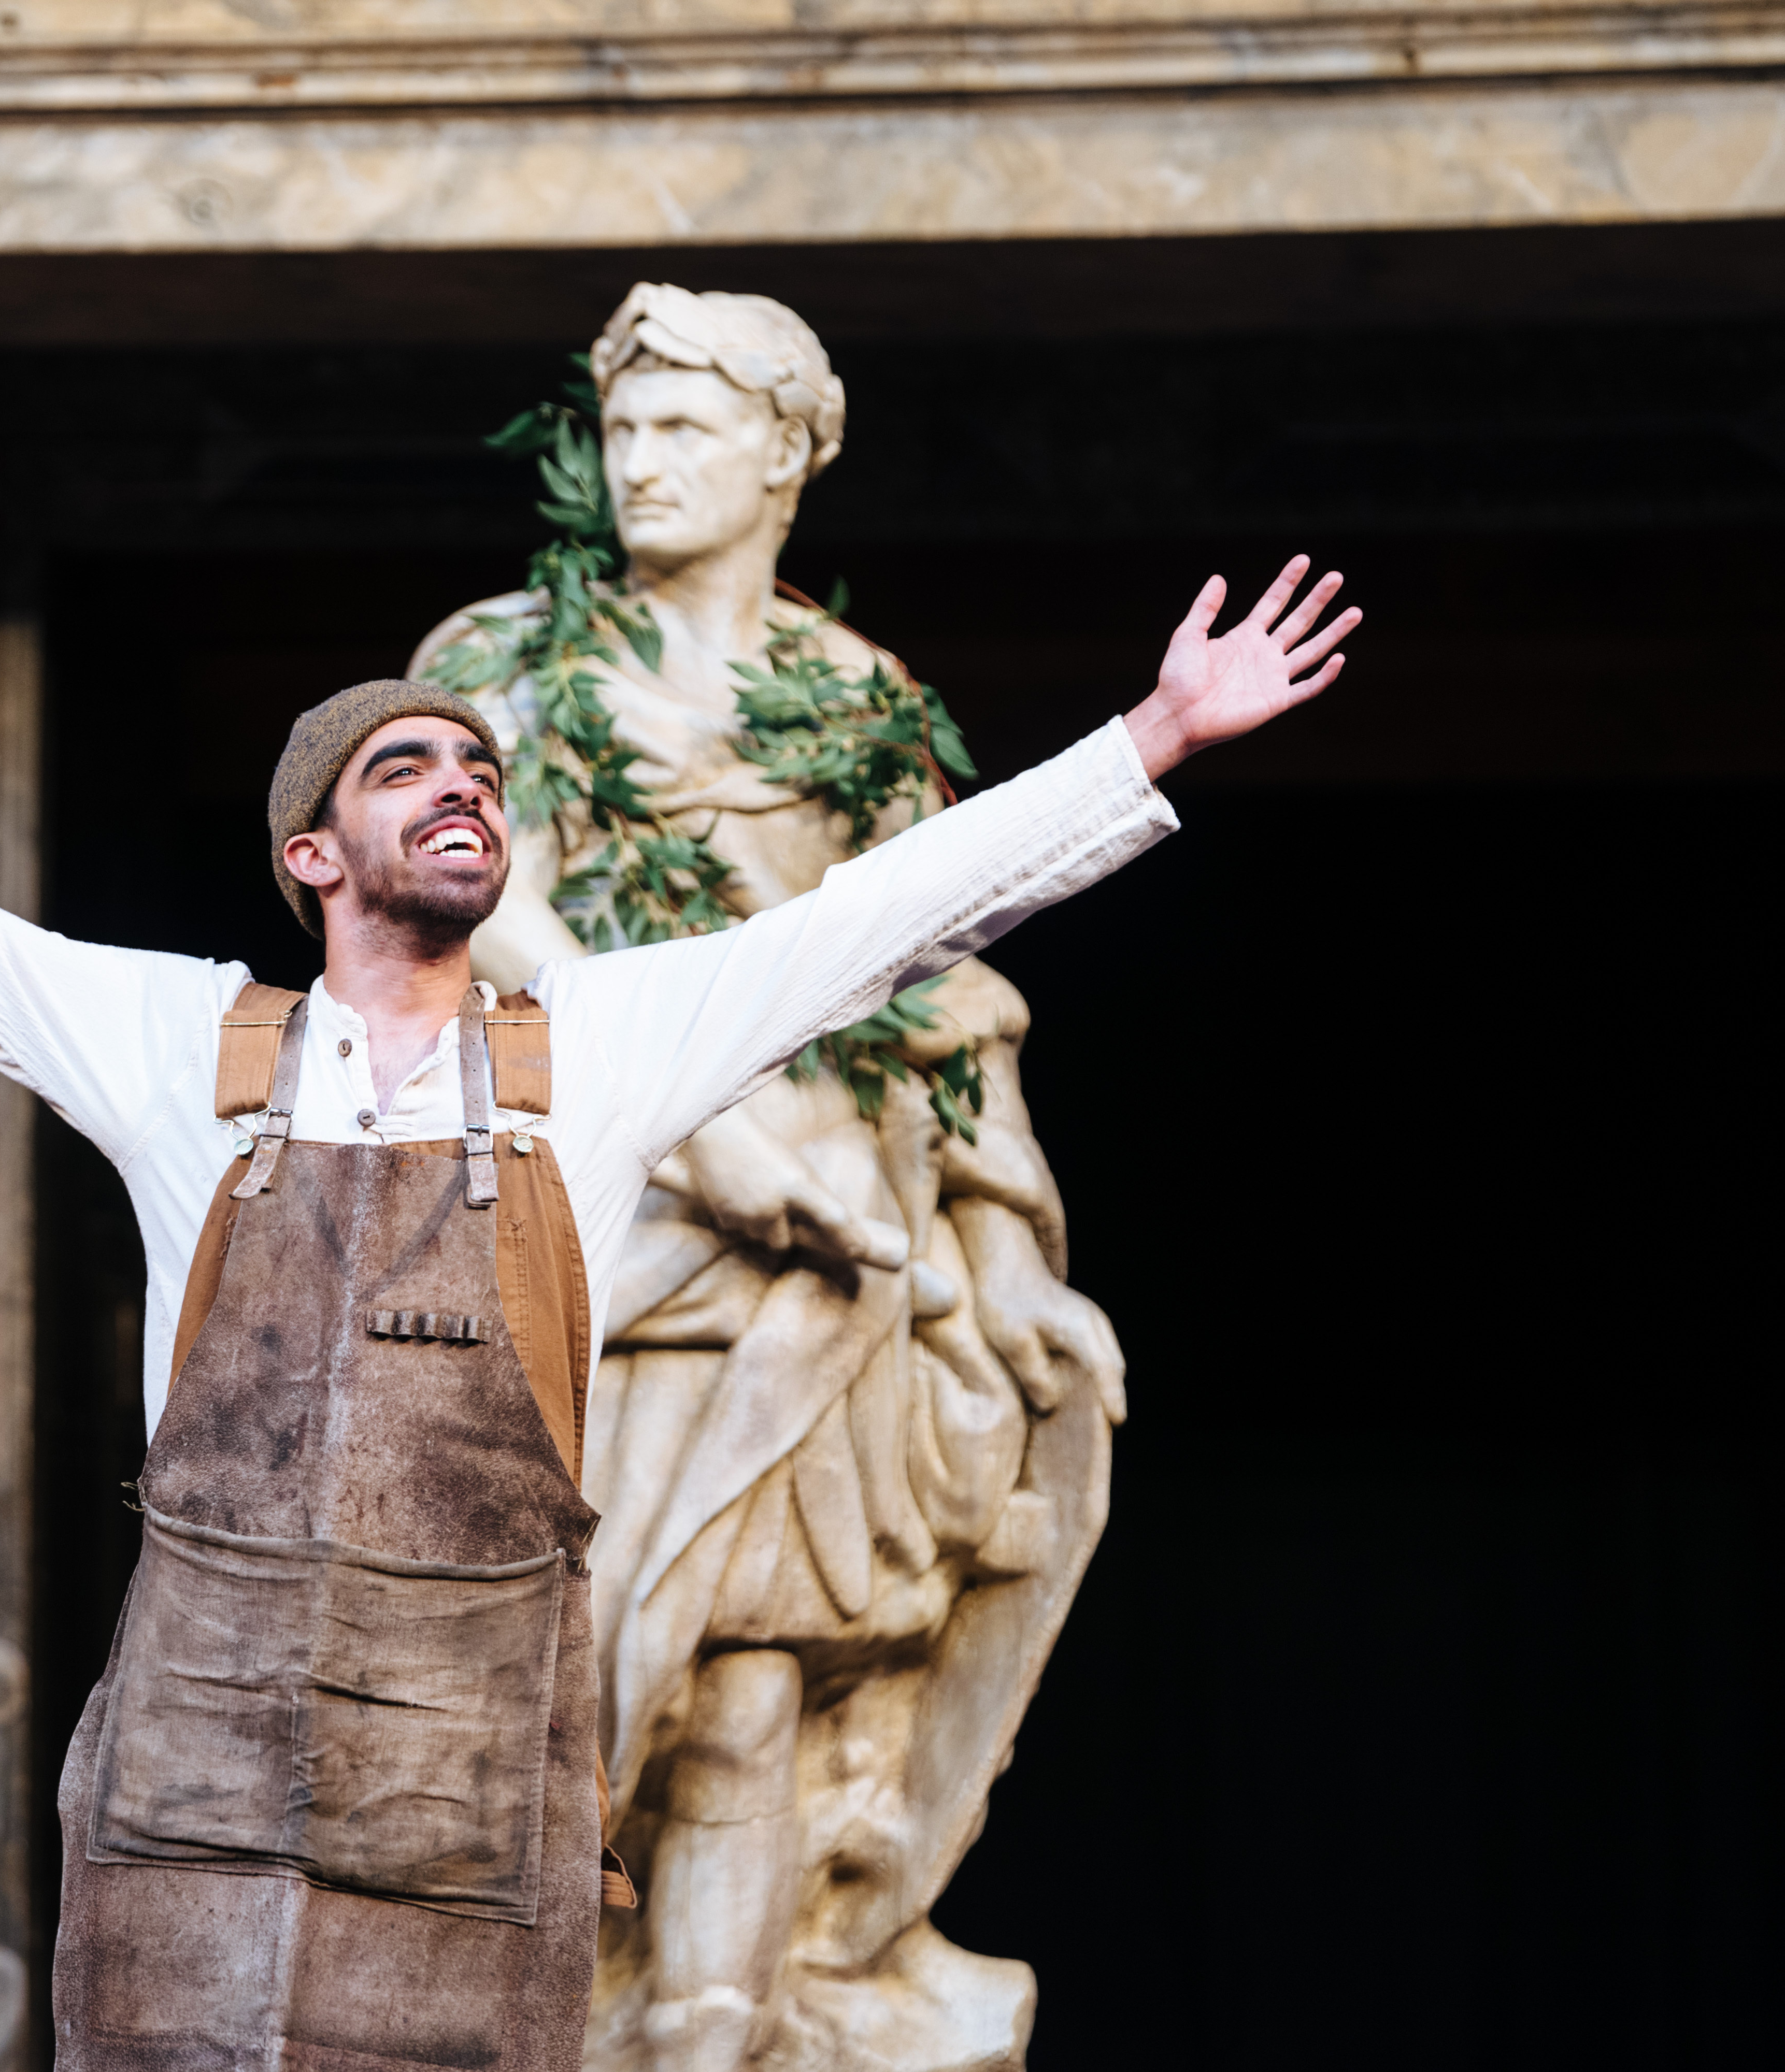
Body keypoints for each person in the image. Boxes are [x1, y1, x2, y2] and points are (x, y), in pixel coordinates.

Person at [0, 550, 1355, 2072]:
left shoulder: (594, 1048)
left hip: (467, 1772)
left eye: (481, 776)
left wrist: (1154, 739)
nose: (464, 789)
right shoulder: (181, 1044)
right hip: (201, 1769)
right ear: (313, 856)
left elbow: (881, 920)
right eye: (409, 771)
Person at [407, 284, 1148, 2070]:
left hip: (823, 1243)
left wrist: (1009, 1252)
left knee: (752, 1679)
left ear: (785, 456)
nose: (640, 463)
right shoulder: (504, 664)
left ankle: (718, 2026)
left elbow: (940, 990)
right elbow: (476, 907)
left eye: (685, 428)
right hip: (604, 1216)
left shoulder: (855, 699)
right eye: (623, 428)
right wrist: (699, 1127)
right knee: (554, 1667)